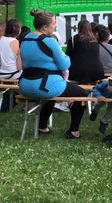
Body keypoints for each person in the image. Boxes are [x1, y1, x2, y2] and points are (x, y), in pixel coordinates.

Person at [19, 9, 87, 138]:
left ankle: (42, 127)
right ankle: (74, 131)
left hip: (25, 85)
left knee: (52, 92)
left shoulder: (25, 39)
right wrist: (65, 56)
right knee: (81, 93)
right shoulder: (50, 42)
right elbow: (64, 65)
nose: (55, 26)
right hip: (43, 85)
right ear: (45, 27)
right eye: (54, 23)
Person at [0, 19, 22, 112]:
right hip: (13, 74)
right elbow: (19, 67)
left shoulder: (0, 40)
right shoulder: (17, 43)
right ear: (18, 30)